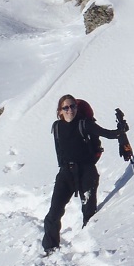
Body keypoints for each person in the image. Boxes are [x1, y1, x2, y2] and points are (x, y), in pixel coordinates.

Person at [41, 94, 121, 254]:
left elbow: (108, 134)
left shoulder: (85, 124)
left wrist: (121, 131)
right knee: (53, 213)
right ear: (60, 111)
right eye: (66, 107)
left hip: (87, 171)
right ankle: (50, 249)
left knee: (89, 212)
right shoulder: (57, 127)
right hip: (65, 173)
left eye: (73, 106)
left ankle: (90, 248)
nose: (70, 110)